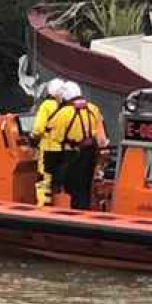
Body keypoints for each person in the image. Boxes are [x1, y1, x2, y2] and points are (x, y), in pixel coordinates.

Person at [44, 82, 107, 210]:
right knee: (85, 186)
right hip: (91, 155)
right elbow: (102, 136)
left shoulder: (63, 113)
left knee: (71, 187)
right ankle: (85, 208)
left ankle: (67, 208)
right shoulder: (93, 109)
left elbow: (53, 139)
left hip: (71, 156)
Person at [29, 77, 66, 206]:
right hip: (65, 149)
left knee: (45, 179)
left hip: (49, 147)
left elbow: (38, 129)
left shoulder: (46, 106)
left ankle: (44, 206)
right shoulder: (67, 107)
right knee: (59, 179)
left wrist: (32, 137)